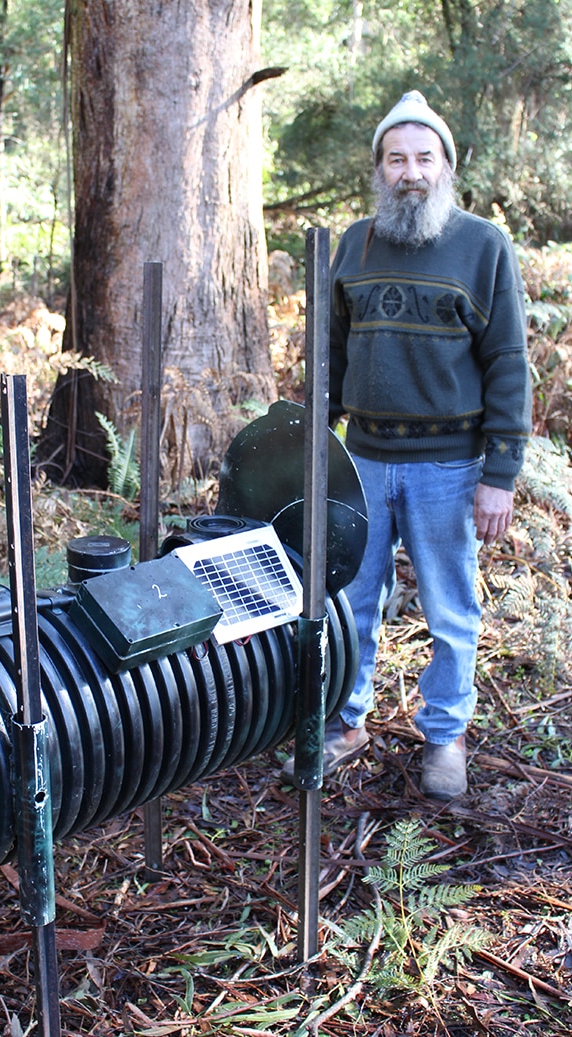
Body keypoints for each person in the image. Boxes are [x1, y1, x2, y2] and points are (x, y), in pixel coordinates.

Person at [285, 90, 532, 800]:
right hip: (361, 459)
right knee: (349, 601)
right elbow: (328, 353)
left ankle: (446, 734)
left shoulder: (482, 246)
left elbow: (508, 361)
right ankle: (345, 719)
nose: (410, 171)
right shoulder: (353, 244)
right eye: (396, 158)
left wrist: (501, 472)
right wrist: (315, 450)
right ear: (379, 168)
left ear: (445, 166)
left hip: (447, 467)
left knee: (449, 609)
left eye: (424, 157)